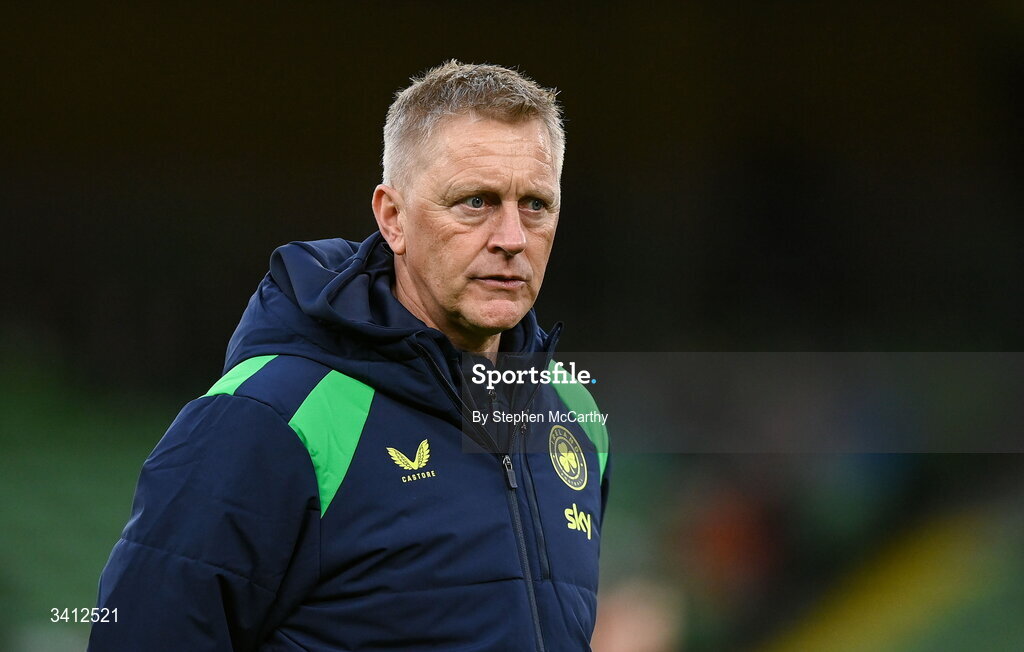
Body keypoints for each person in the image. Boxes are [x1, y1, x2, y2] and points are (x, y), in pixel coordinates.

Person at [89, 60, 610, 652]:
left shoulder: (575, 412)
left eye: (536, 205)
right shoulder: (269, 417)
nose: (512, 237)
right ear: (393, 218)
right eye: (475, 202)